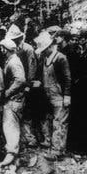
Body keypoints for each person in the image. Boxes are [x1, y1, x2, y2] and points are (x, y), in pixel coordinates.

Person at [36, 30, 71, 160]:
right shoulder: (45, 58)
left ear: (51, 46)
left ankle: (58, 151)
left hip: (59, 96)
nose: (44, 52)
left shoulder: (60, 58)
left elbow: (67, 79)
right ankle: (51, 144)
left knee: (60, 123)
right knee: (50, 119)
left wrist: (67, 96)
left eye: (45, 49)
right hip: (48, 94)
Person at [0, 38, 26, 166]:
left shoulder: (14, 62)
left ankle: (11, 153)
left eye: (3, 48)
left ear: (7, 49)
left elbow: (20, 80)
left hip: (14, 99)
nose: (1, 50)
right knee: (10, 126)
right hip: (14, 98)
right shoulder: (11, 60)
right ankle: (14, 152)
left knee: (10, 126)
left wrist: (7, 93)